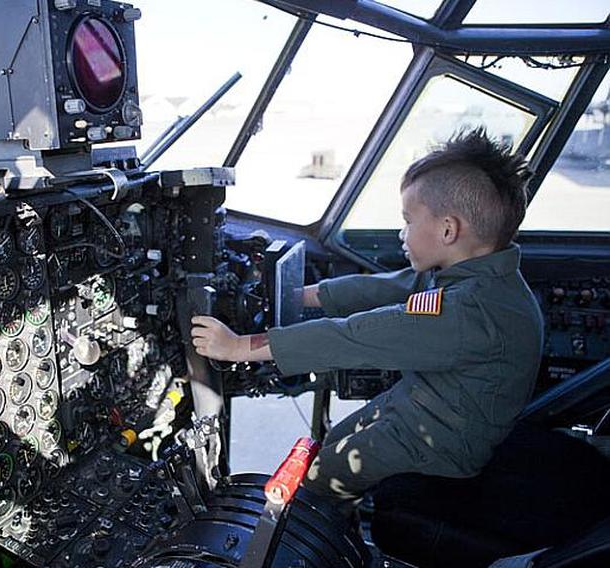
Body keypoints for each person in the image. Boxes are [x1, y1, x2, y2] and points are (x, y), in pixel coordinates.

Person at [191, 128, 544, 504]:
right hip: (425, 406)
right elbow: (390, 287)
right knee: (331, 442)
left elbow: (356, 336)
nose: (401, 233)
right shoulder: (478, 276)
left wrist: (238, 347)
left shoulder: (470, 310)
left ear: (448, 229)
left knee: (320, 479)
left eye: (408, 220)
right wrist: (299, 296)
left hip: (443, 444)